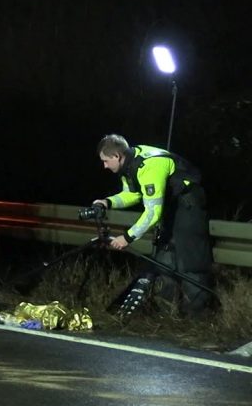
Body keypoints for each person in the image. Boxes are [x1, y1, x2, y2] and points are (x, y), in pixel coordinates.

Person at [92, 134, 214, 316]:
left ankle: (199, 318)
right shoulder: (130, 163)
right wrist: (107, 202)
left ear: (117, 156)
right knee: (165, 261)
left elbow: (152, 213)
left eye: (106, 161)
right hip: (172, 207)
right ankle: (167, 315)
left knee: (190, 262)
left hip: (189, 205)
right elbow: (133, 194)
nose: (104, 166)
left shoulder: (149, 167)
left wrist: (127, 237)